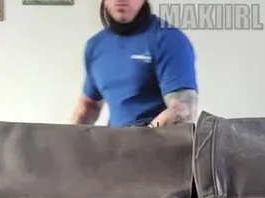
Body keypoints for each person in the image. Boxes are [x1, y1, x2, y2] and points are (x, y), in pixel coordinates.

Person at [71, 0, 197, 128]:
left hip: (155, 137)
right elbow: (89, 106)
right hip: (113, 138)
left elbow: (182, 110)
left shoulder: (169, 39)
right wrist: (65, 137)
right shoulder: (95, 46)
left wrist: (141, 137)